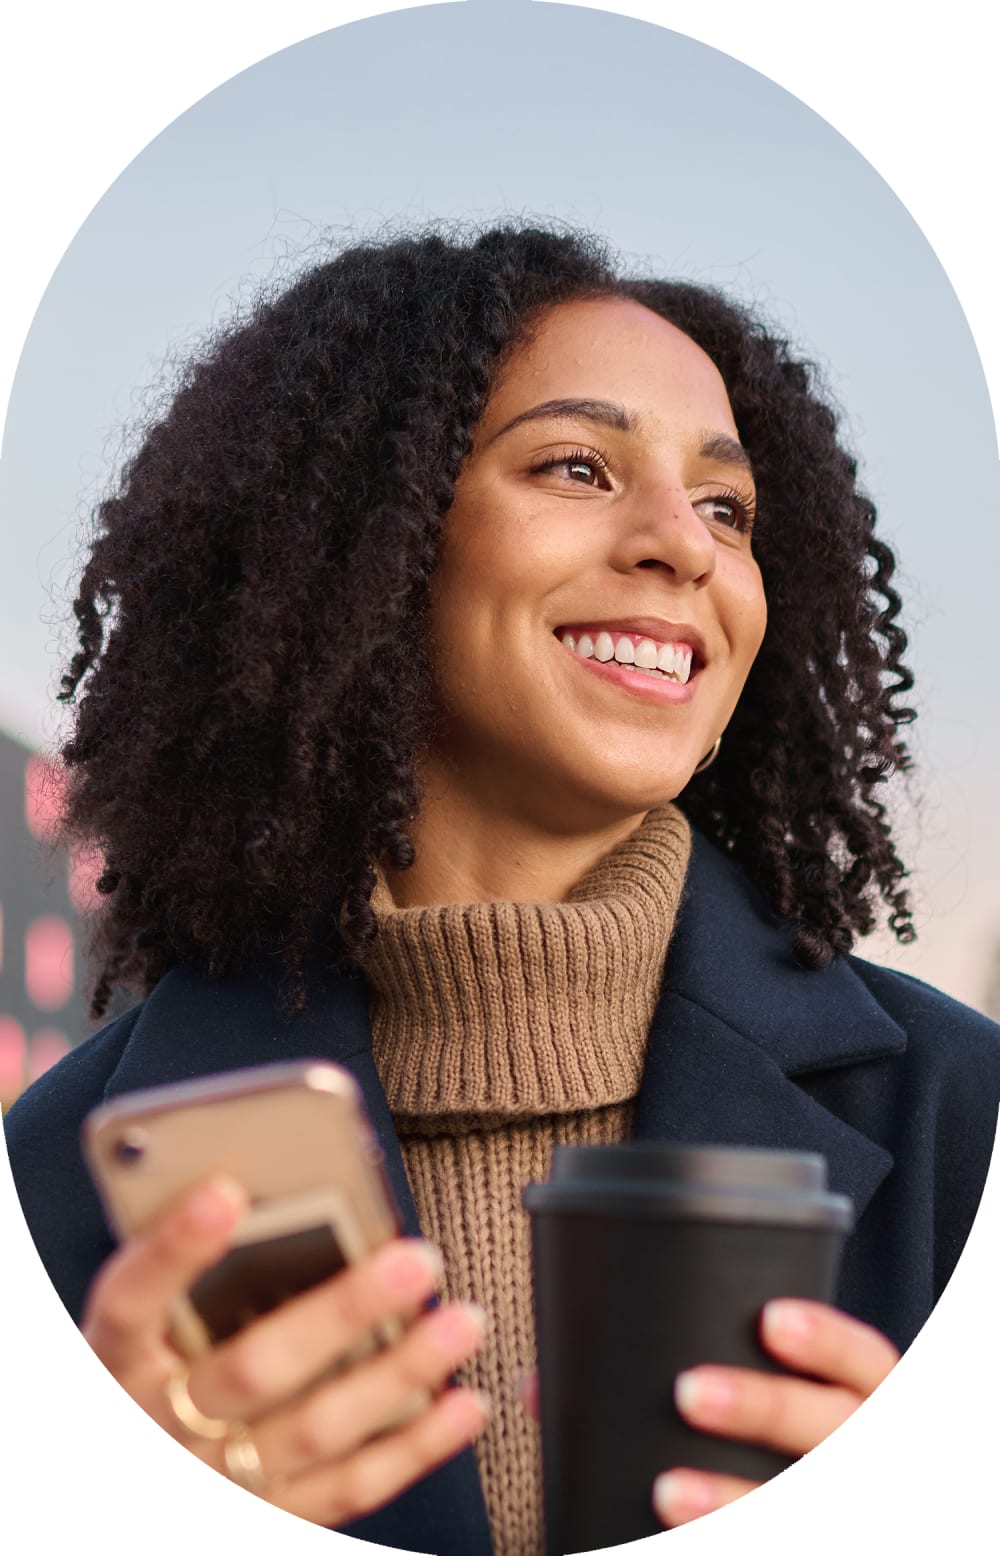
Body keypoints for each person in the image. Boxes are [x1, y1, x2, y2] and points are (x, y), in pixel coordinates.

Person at [4, 223, 999, 1556]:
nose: (685, 546)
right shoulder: (52, 1175)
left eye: (727, 508)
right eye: (577, 467)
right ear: (366, 546)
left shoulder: (962, 1113)